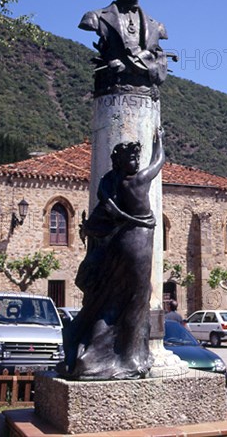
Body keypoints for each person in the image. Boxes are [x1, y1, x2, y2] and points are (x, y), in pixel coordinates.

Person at [59, 128, 165, 380]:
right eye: (132, 159)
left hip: (120, 244)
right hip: (138, 245)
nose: (136, 163)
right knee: (137, 299)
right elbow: (159, 161)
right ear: (121, 162)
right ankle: (129, 358)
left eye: (136, 160)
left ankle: (94, 350)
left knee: (112, 299)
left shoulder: (112, 185)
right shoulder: (137, 181)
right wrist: (159, 140)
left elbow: (102, 209)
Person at [78, 0, 168, 95]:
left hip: (146, 93)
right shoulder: (95, 17)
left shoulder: (157, 26)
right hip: (112, 91)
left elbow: (160, 60)